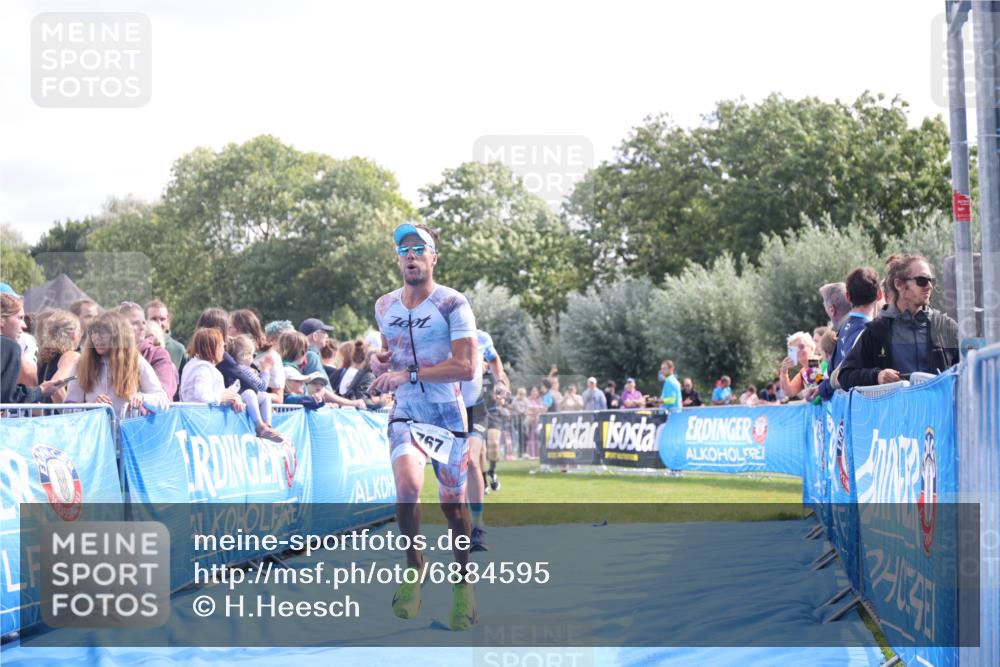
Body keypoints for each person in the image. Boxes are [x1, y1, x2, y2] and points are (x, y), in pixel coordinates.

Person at [369, 222, 478, 630]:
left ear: (434, 257)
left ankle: (464, 584)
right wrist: (380, 362)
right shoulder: (384, 306)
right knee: (408, 488)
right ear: (398, 258)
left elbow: (466, 367)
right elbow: (390, 355)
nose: (410, 255)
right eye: (403, 249)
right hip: (406, 414)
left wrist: (409, 374)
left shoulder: (453, 303)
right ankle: (415, 565)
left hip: (448, 417)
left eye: (419, 248)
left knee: (453, 509)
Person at [837, 255, 959, 389]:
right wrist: (877, 376)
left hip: (940, 409)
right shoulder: (877, 331)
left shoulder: (946, 327)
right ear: (899, 284)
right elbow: (845, 376)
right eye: (922, 280)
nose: (929, 286)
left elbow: (973, 368)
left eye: (931, 281)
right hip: (897, 409)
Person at [64, 311, 169, 417]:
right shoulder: (81, 364)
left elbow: (163, 402)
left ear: (119, 336)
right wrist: (91, 407)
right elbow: (69, 409)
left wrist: (142, 398)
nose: (96, 337)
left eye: (103, 333)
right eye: (94, 332)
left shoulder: (136, 361)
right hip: (94, 432)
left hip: (127, 432)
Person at [460, 329, 510, 552]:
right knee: (453, 468)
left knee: (471, 459)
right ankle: (460, 523)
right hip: (447, 406)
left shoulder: (482, 337)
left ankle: (477, 525)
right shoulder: (439, 333)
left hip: (476, 407)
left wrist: (500, 382)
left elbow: (494, 359)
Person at [816, 267, 882, 399]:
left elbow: (833, 372)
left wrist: (821, 388)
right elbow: (841, 375)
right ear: (879, 295)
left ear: (848, 296)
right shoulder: (868, 330)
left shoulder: (844, 329)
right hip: (864, 411)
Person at [118, 302, 179, 400]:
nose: (142, 327)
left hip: (148, 414)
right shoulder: (110, 353)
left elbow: (164, 394)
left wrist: (139, 399)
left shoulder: (158, 354)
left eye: (143, 322)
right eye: (134, 323)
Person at [179, 328, 247, 415]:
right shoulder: (203, 368)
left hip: (196, 417)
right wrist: (222, 397)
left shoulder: (193, 364)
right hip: (200, 419)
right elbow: (202, 395)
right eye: (222, 346)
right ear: (214, 348)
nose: (224, 350)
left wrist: (232, 397)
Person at [231, 309, 283, 404]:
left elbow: (278, 398)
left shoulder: (270, 356)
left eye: (230, 327)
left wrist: (249, 395)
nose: (227, 331)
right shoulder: (228, 355)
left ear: (241, 330)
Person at [35, 309, 82, 404]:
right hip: (59, 417)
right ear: (74, 334)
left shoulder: (45, 356)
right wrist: (72, 415)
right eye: (80, 331)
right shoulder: (71, 356)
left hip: (47, 416)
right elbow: (56, 387)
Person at [144, 299, 187, 374]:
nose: (158, 323)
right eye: (153, 319)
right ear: (144, 320)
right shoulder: (136, 347)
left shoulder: (179, 350)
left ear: (168, 321)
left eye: (162, 319)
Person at [1, 292, 35, 387]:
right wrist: (39, 392)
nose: (24, 325)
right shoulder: (10, 347)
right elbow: (9, 396)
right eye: (20, 318)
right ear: (2, 319)